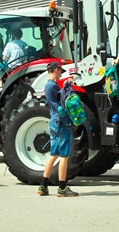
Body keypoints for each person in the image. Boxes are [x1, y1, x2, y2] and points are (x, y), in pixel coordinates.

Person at [37, 61, 79, 197]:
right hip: (61, 123)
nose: (61, 74)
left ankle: (43, 186)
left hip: (54, 123)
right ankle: (62, 187)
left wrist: (66, 85)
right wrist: (68, 87)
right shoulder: (52, 86)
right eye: (60, 71)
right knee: (64, 156)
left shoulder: (49, 86)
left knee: (53, 154)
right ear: (55, 70)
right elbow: (63, 102)